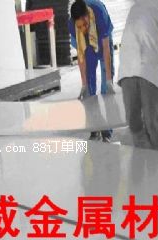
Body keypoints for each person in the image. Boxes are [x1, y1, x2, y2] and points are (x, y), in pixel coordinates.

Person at [118, 0, 158, 152]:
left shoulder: (137, 7)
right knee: (154, 128)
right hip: (149, 69)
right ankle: (156, 161)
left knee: (135, 126)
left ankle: (148, 158)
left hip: (128, 70)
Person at [68, 0, 115, 142]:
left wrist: (109, 80)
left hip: (101, 39)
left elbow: (106, 49)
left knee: (106, 91)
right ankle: (95, 129)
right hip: (87, 44)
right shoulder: (73, 26)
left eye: (84, 25)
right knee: (89, 89)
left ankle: (107, 131)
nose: (82, 28)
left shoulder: (100, 14)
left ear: (87, 16)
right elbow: (81, 56)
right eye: (79, 26)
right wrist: (84, 84)